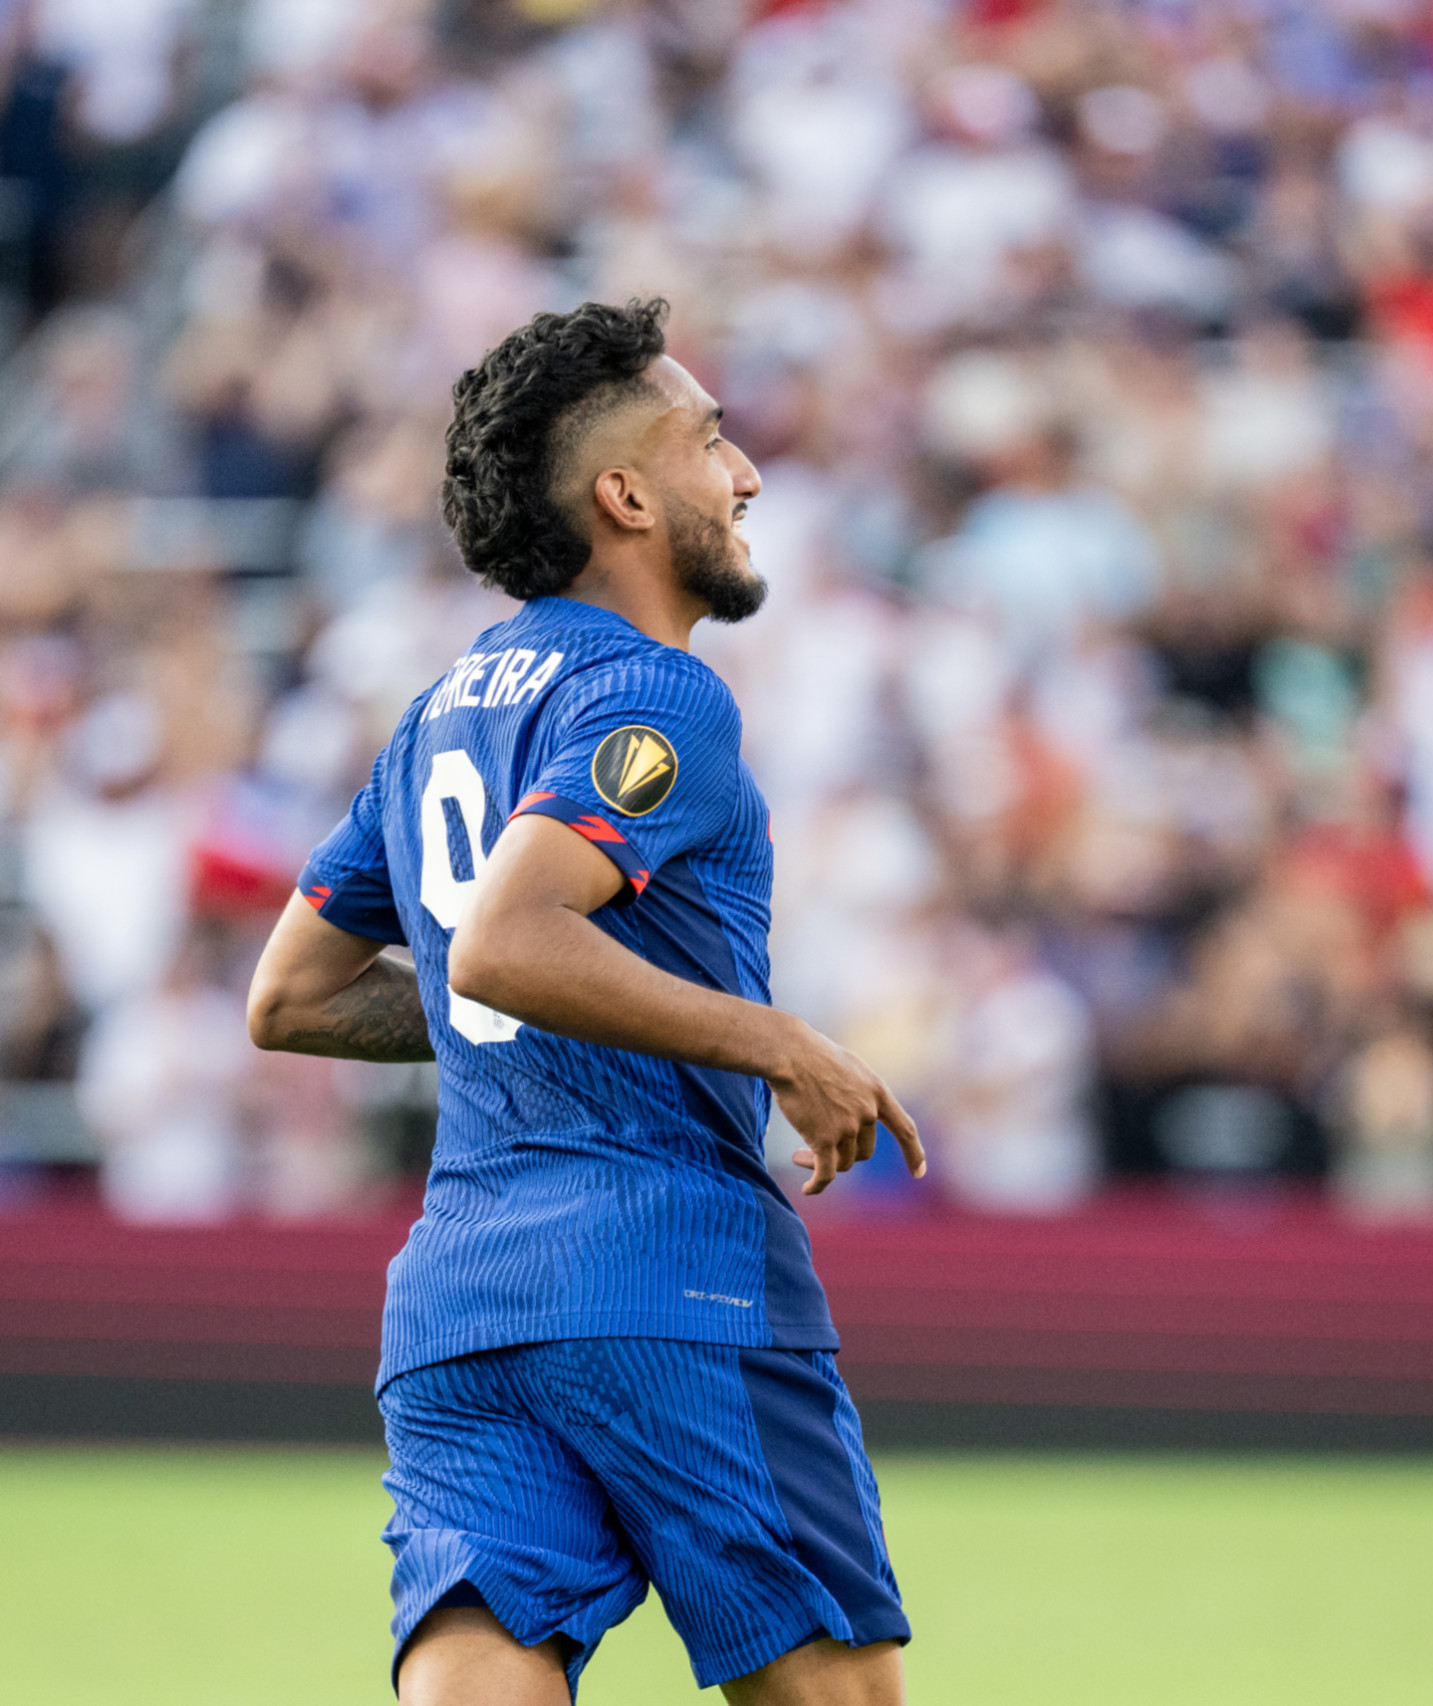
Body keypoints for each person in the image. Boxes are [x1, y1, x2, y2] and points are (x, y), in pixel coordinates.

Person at [244, 299, 926, 1706]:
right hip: (672, 1275)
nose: (744, 475)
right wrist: (778, 1041)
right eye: (711, 438)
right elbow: (505, 940)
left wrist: (505, 976)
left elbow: (291, 996)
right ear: (625, 492)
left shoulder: (435, 714)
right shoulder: (658, 693)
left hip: (460, 1306)